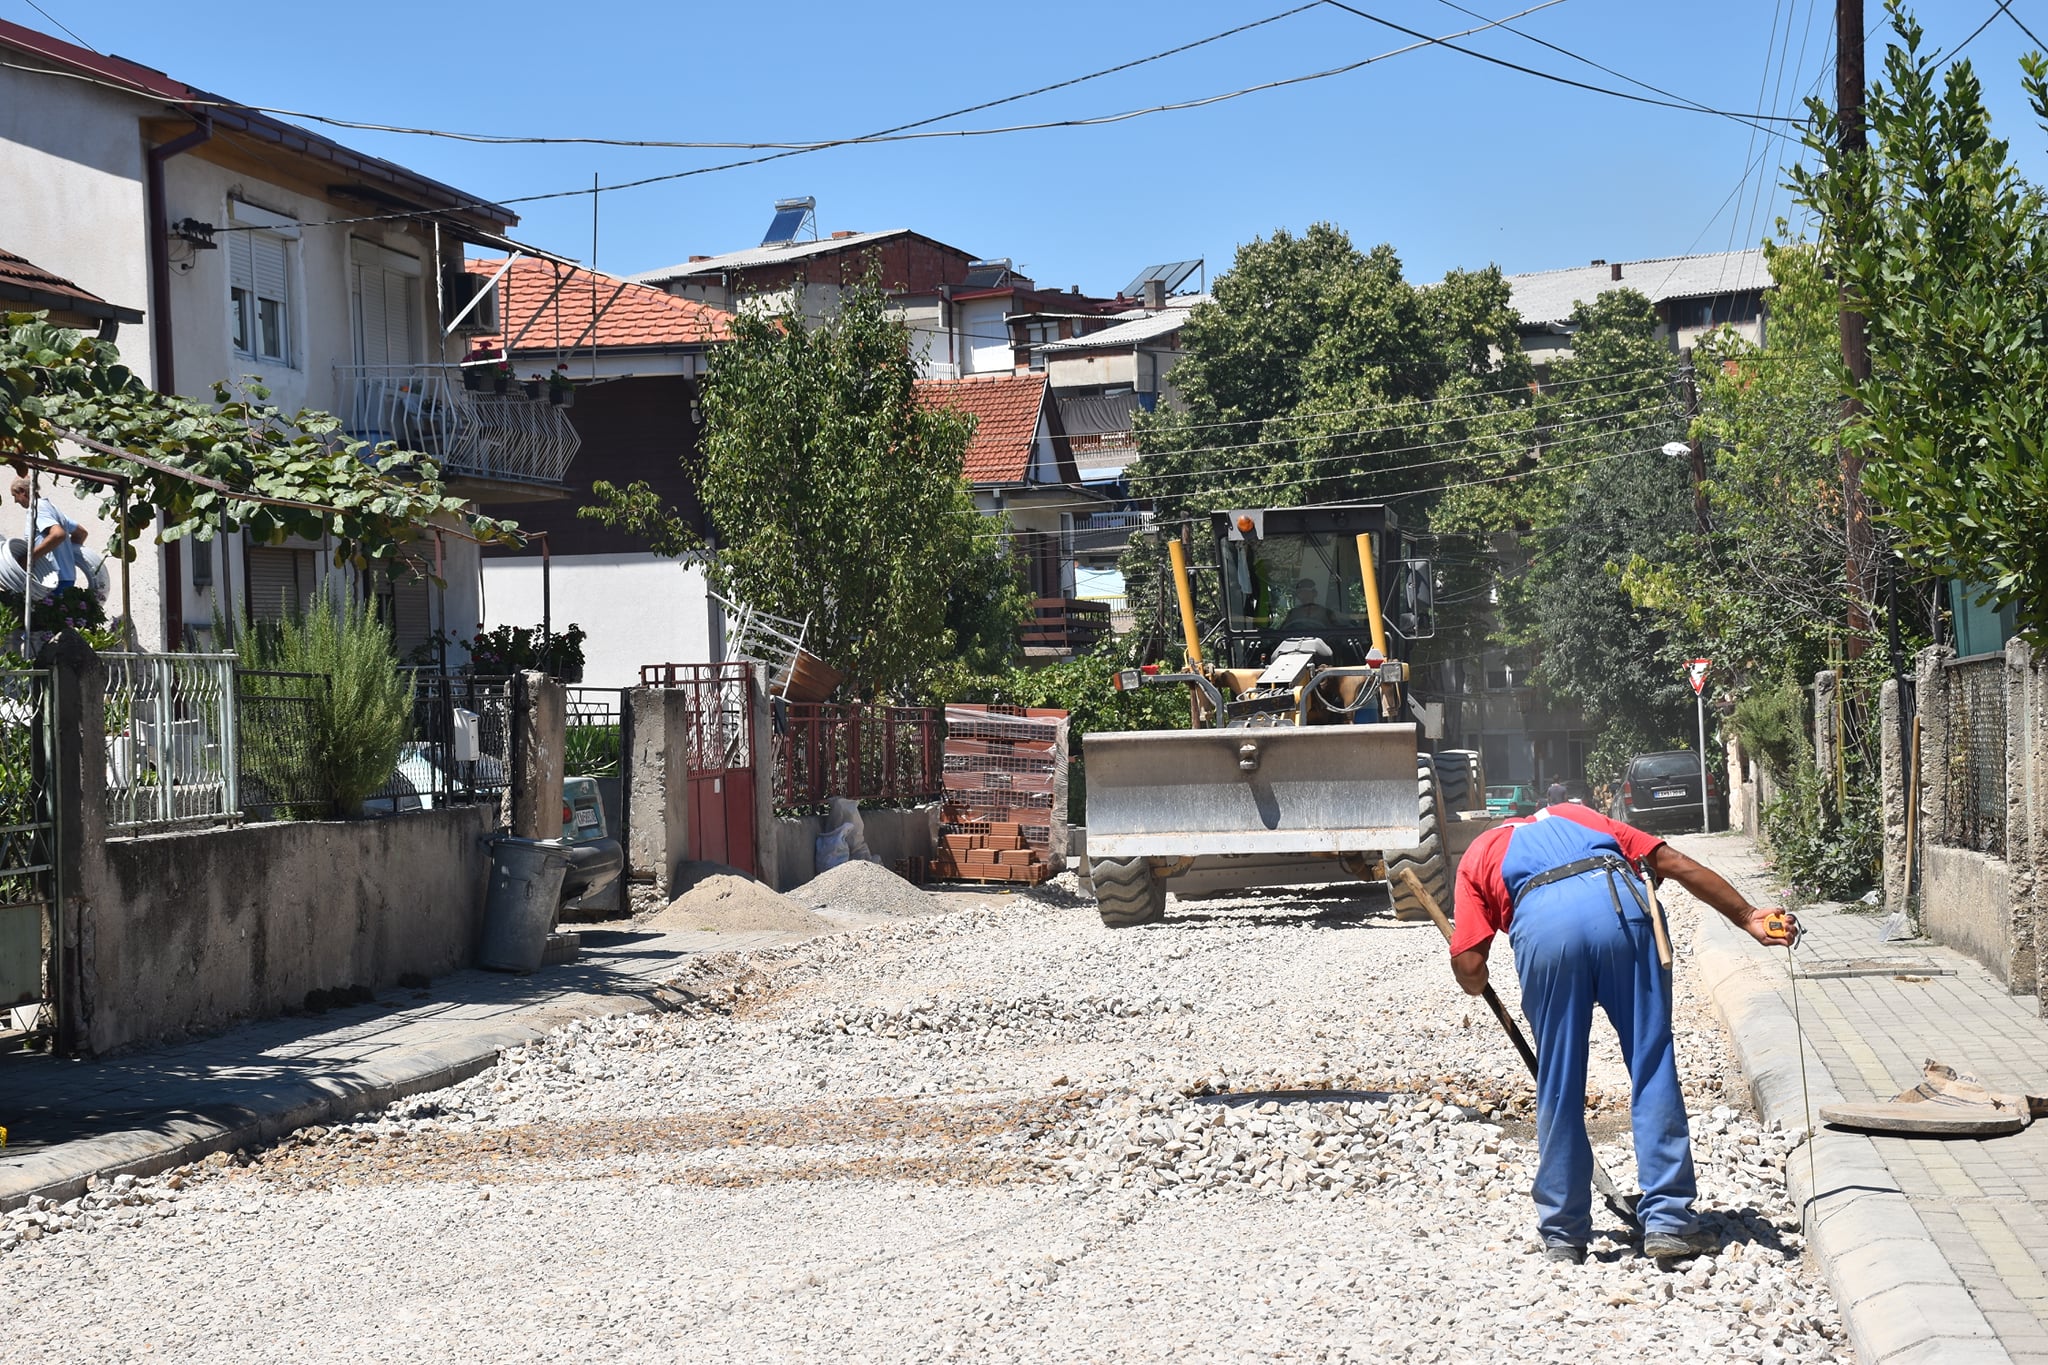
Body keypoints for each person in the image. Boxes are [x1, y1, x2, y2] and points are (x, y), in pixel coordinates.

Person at [1446, 800, 1798, 1265]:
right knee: (1651, 1061)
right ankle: (1669, 1221)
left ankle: (1563, 1234)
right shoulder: (1579, 815)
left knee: (1559, 1079)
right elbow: (1671, 862)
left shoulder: (1480, 851)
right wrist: (1747, 915)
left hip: (1545, 930)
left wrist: (1469, 969)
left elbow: (1472, 970)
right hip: (1618, 907)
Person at [10, 478, 77, 594]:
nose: (15, 501)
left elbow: (58, 534)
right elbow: (81, 533)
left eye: (14, 495)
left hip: (53, 579)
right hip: (67, 576)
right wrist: (67, 555)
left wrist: (29, 558)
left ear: (23, 491)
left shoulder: (37, 508)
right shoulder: (53, 508)